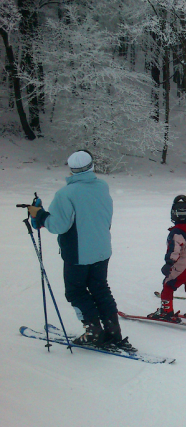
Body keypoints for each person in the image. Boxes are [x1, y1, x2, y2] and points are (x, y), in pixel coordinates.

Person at [28, 150, 134, 350]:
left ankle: (93, 331)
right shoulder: (102, 187)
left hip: (78, 253)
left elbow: (58, 226)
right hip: (102, 249)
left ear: (71, 170)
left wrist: (40, 215)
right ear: (91, 166)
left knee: (76, 291)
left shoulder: (65, 194)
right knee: (100, 288)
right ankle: (113, 331)